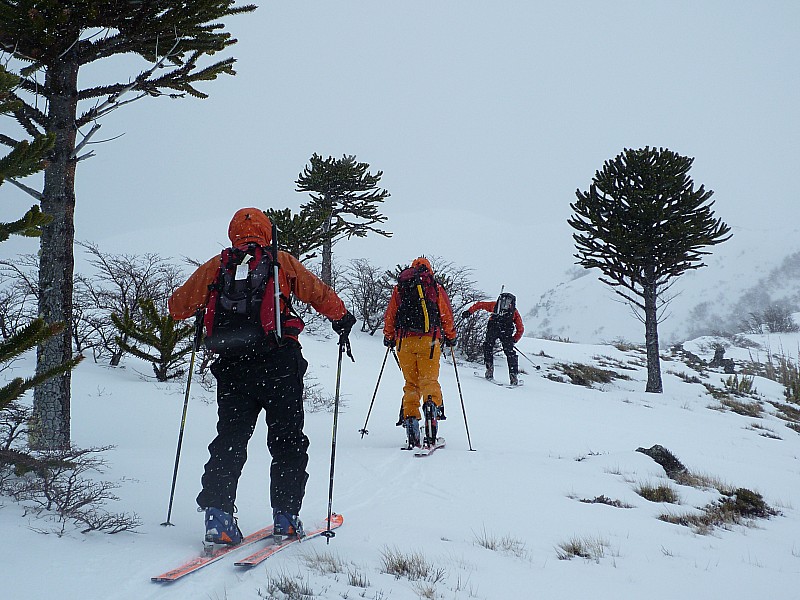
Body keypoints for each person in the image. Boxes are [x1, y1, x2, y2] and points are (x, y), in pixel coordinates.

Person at [168, 207, 355, 545]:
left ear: (233, 233)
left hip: (232, 366)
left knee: (230, 439)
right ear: (267, 231)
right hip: (279, 362)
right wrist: (341, 317)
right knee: (287, 440)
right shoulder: (281, 261)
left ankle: (218, 517)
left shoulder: (218, 265)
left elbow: (177, 306)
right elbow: (317, 293)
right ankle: (286, 516)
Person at [382, 257, 457, 449]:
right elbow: (445, 314)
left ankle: (411, 425)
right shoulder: (435, 287)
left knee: (411, 383)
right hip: (429, 341)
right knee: (429, 381)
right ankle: (431, 414)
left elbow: (391, 314)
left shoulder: (401, 288)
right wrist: (451, 336)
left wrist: (389, 336)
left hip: (403, 341)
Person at [462, 292, 524, 385]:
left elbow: (480, 305)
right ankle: (513, 376)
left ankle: (489, 370)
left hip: (493, 329)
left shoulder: (494, 306)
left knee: (488, 347)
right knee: (510, 353)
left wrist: (469, 312)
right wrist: (514, 339)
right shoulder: (514, 312)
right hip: (506, 332)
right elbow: (520, 328)